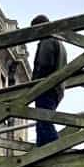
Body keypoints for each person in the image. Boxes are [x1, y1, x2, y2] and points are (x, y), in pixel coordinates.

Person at [30, 15, 67, 146]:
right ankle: (41, 149)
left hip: (47, 87)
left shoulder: (47, 41)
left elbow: (45, 64)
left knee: (44, 120)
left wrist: (34, 85)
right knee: (42, 121)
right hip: (57, 89)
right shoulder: (60, 43)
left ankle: (55, 148)